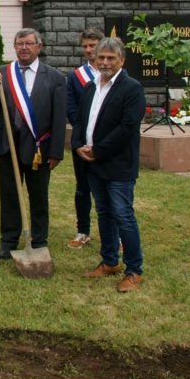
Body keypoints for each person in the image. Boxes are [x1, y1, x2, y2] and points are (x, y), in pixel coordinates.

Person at [0, 28, 66, 260]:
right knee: (9, 194)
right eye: (19, 43)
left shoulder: (55, 77)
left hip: (40, 146)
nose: (24, 48)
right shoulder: (3, 72)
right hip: (9, 144)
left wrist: (57, 151)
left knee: (38, 195)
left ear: (39, 47)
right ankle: (9, 239)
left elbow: (60, 118)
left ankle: (39, 240)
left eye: (29, 43)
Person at [72, 37, 146, 292]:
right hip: (93, 163)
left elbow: (127, 127)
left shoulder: (132, 88)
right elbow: (81, 119)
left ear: (121, 61)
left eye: (110, 58)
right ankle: (110, 261)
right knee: (103, 214)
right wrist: (78, 144)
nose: (104, 62)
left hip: (117, 164)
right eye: (101, 57)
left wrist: (99, 150)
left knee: (123, 216)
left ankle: (134, 270)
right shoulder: (92, 87)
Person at [65, 27, 104, 249]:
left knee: (108, 190)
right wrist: (80, 141)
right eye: (85, 46)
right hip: (82, 142)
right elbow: (71, 111)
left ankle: (114, 233)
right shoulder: (75, 77)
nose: (89, 50)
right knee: (82, 188)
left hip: (106, 143)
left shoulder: (112, 73)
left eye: (93, 45)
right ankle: (83, 231)